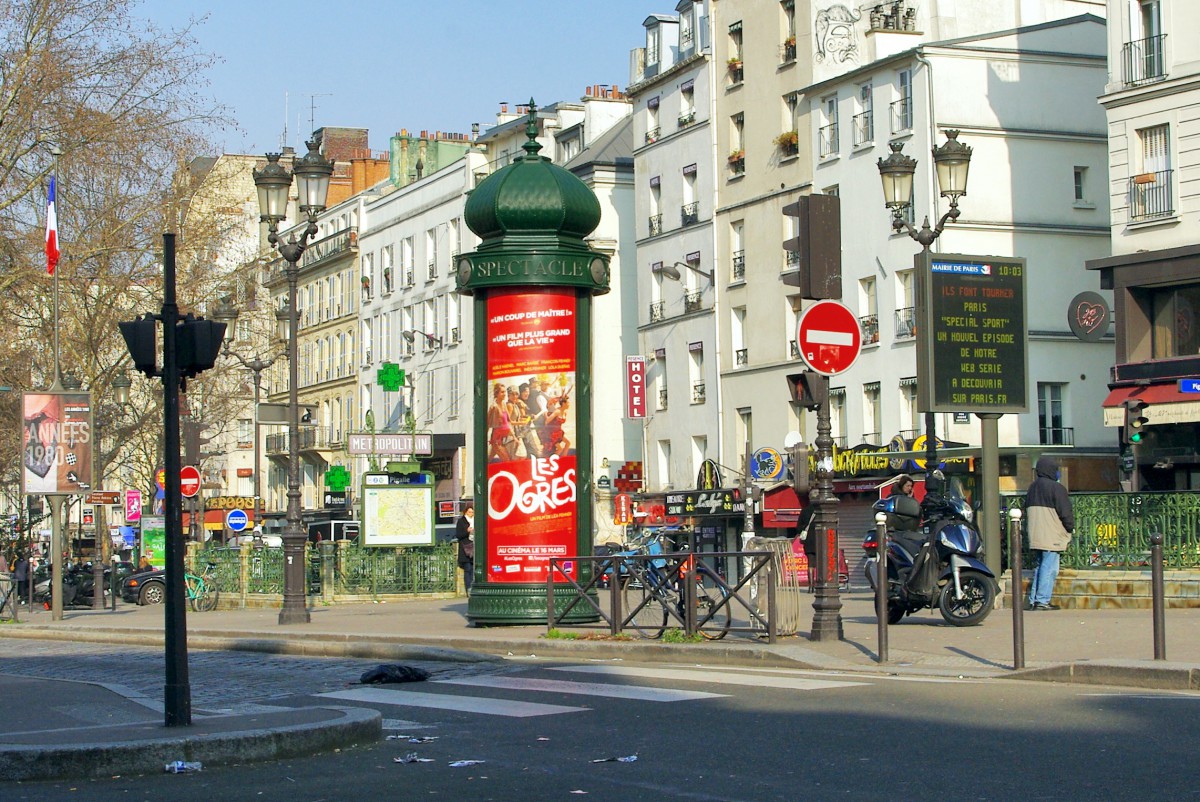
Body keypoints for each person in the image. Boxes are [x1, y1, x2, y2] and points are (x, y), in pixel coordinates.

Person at [1025, 455, 1074, 611]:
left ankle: (1034, 600)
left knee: (1040, 566)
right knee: (1050, 568)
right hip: (1051, 534)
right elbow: (1065, 512)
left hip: (1035, 534)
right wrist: (1069, 527)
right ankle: (1042, 600)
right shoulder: (1057, 488)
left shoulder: (1032, 488)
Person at [455, 503, 475, 594]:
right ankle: (469, 589)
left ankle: (474, 588)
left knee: (474, 570)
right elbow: (458, 535)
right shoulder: (461, 521)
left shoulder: (476, 520)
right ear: (465, 512)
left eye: (472, 512)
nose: (471, 514)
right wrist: (467, 531)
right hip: (465, 549)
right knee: (468, 569)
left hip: (474, 548)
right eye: (469, 512)